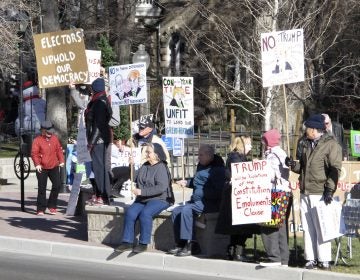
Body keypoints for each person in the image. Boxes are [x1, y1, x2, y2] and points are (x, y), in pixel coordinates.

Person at [286, 114, 342, 270]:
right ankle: (310, 258)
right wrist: (292, 165)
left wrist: (330, 189)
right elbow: (303, 167)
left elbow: (335, 169)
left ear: (316, 129)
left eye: (308, 128)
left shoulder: (331, 145)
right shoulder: (306, 144)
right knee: (308, 227)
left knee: (321, 227)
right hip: (305, 191)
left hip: (320, 191)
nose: (306, 130)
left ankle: (324, 260)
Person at [115, 143, 174, 253]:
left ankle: (143, 243)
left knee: (145, 214)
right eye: (146, 152)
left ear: (156, 154)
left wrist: (142, 191)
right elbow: (135, 177)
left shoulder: (161, 167)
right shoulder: (145, 165)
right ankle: (127, 242)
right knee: (131, 212)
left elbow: (161, 187)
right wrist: (131, 166)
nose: (146, 154)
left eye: (149, 152)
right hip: (143, 198)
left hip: (160, 199)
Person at [168, 144, 226, 257]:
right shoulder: (201, 165)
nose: (198, 157)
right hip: (197, 200)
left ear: (209, 155)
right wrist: (187, 182)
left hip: (209, 203)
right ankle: (181, 243)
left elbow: (218, 192)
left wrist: (201, 194)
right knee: (176, 211)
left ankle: (191, 244)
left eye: (201, 155)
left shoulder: (217, 170)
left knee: (186, 210)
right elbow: (197, 182)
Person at [215, 136, 260, 261]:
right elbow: (241, 174)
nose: (251, 147)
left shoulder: (237, 157)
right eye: (249, 144)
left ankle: (233, 251)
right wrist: (253, 166)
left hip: (234, 195)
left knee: (239, 226)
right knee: (241, 226)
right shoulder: (236, 158)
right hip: (235, 196)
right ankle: (237, 252)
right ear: (242, 145)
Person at [258, 128, 291, 267]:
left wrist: (258, 168)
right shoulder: (281, 153)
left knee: (269, 225)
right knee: (280, 226)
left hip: (274, 192)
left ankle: (274, 258)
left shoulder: (273, 155)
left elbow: (270, 175)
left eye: (264, 140)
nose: (263, 143)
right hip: (283, 192)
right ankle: (283, 259)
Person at [85, 77, 113, 205]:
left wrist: (91, 143)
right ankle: (101, 194)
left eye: (92, 88)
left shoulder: (100, 102)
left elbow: (98, 125)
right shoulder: (100, 100)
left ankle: (103, 195)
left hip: (99, 140)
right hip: (99, 139)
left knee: (99, 168)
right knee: (97, 168)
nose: (90, 91)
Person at [31, 120, 65, 216]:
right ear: (43, 131)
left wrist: (61, 160)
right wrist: (37, 164)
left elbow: (58, 150)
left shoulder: (54, 138)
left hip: (53, 166)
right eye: (49, 132)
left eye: (52, 132)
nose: (51, 134)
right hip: (42, 167)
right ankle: (40, 208)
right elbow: (34, 153)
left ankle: (52, 205)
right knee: (42, 188)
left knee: (57, 185)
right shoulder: (37, 140)